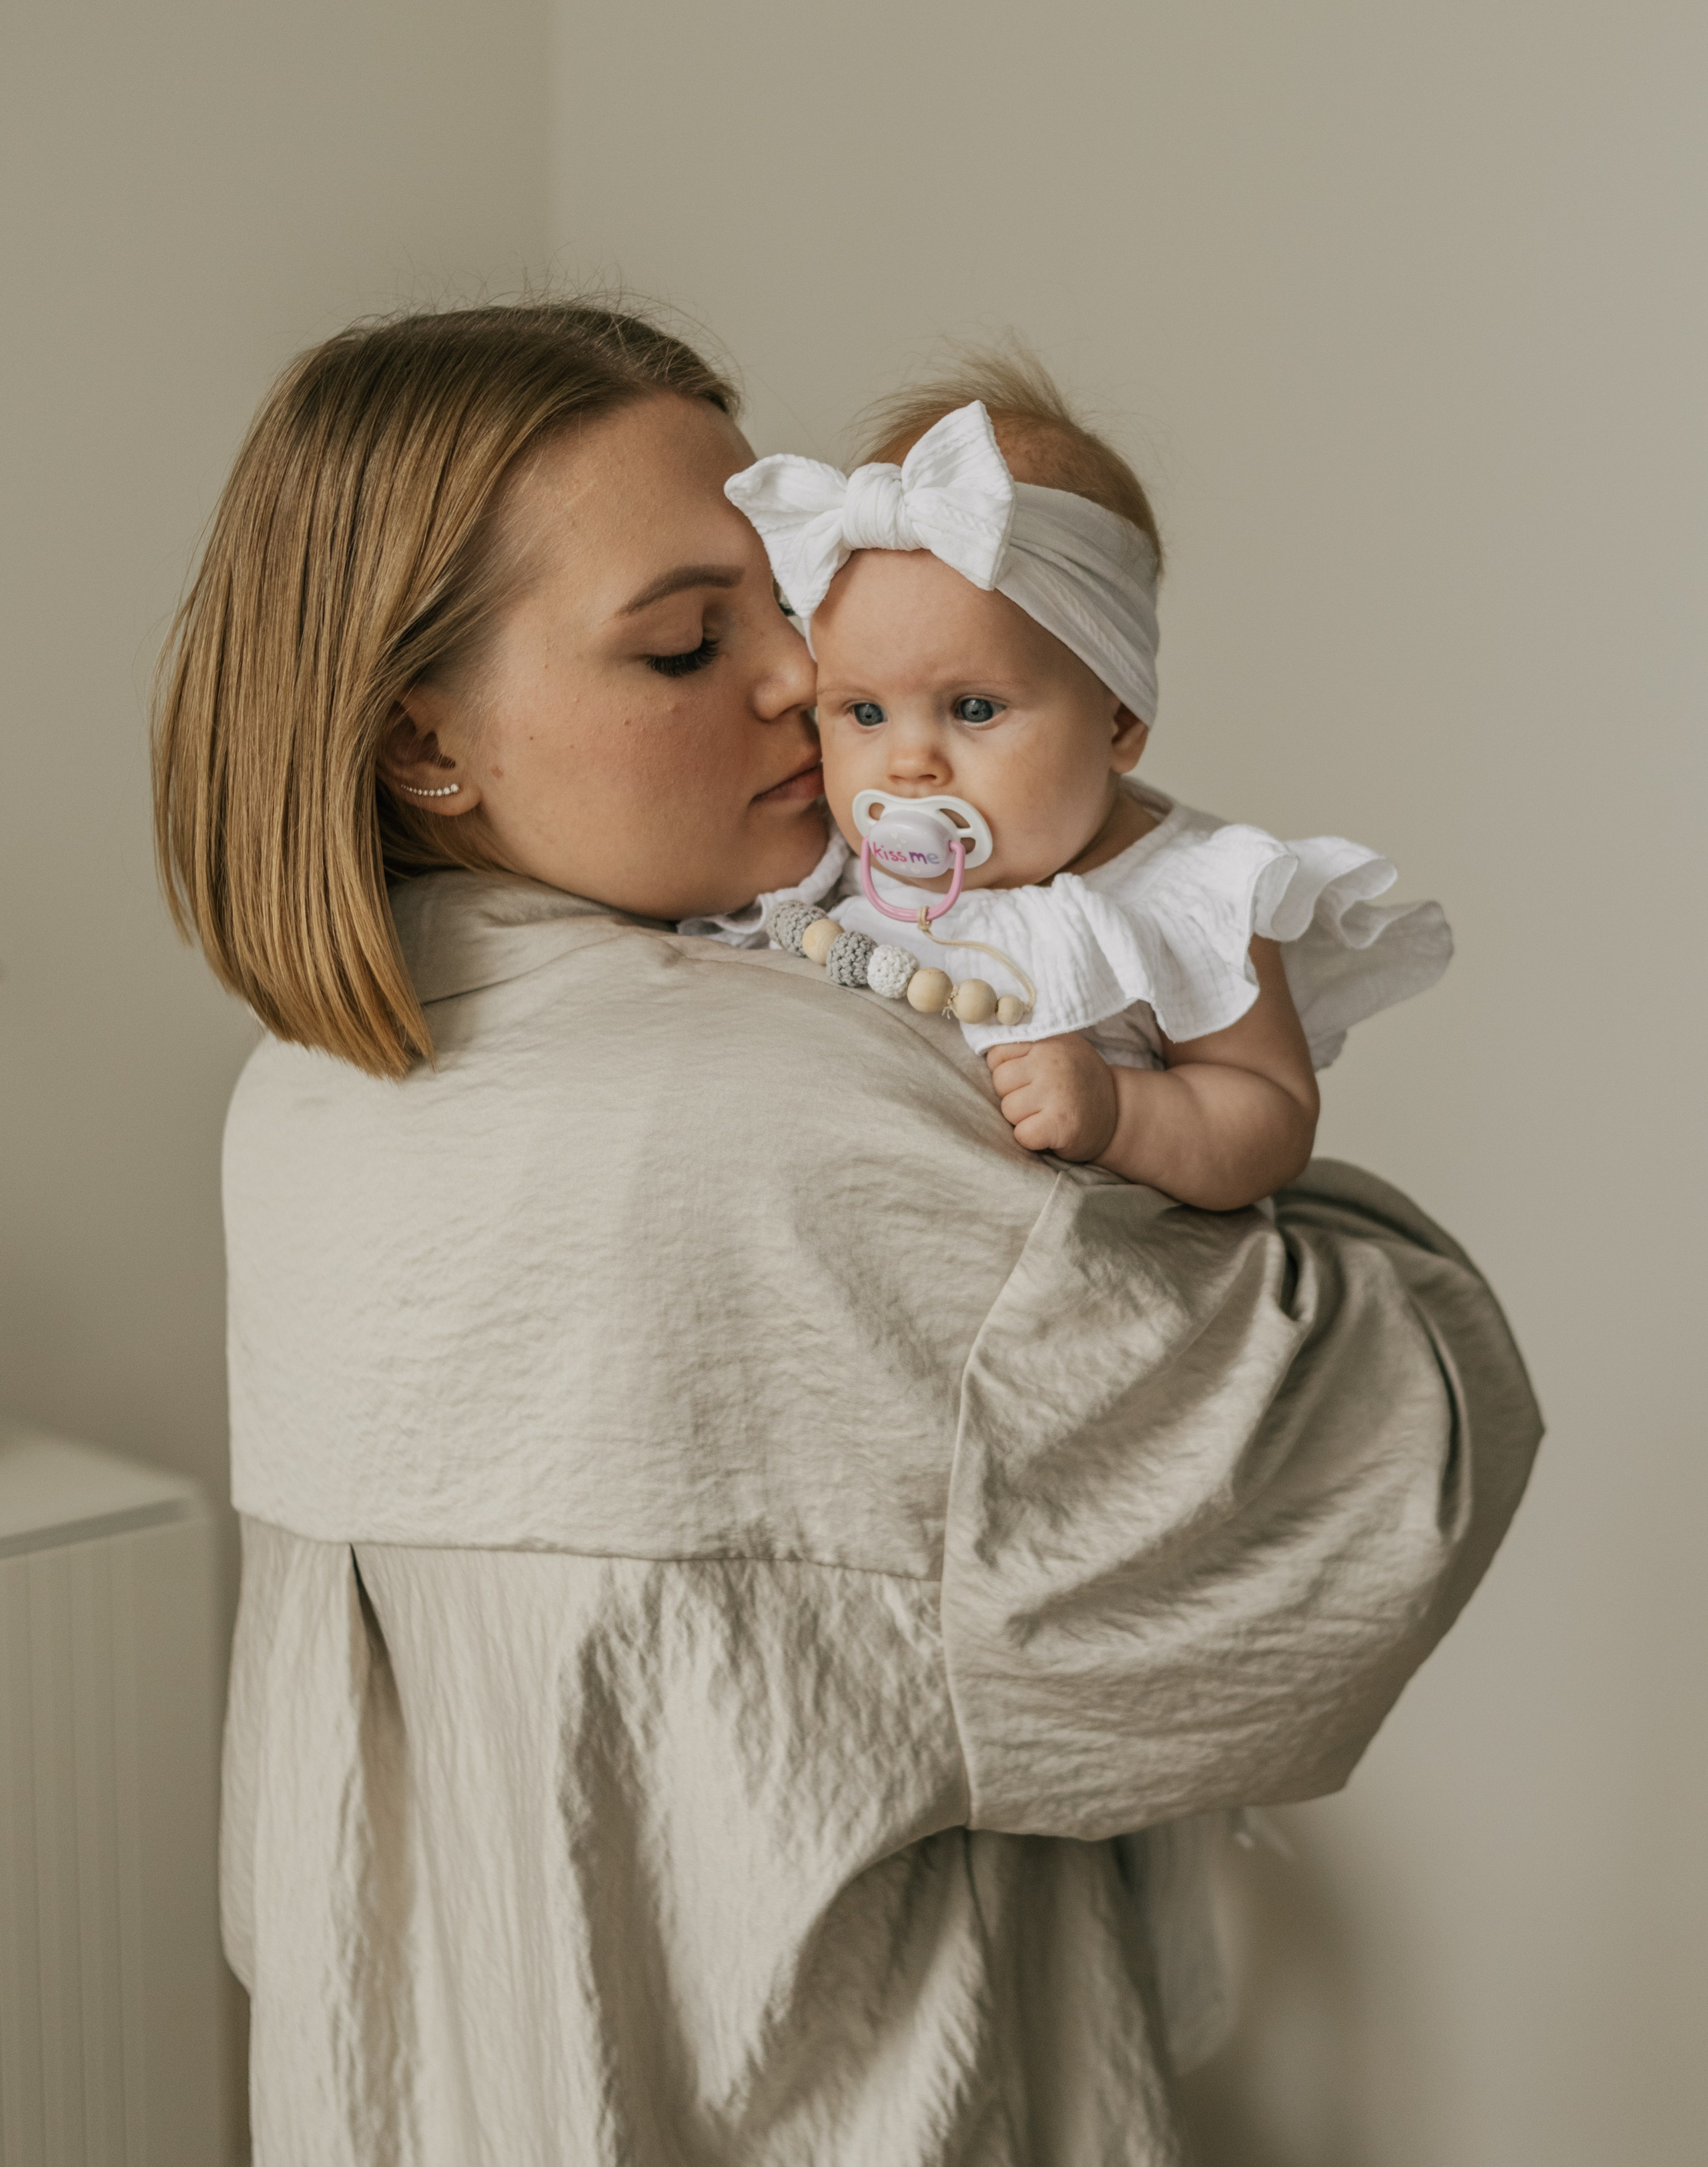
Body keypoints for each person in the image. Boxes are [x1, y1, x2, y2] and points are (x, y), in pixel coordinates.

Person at [153, 298, 1541, 2166]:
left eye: (785, 600)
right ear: (425, 746)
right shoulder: (793, 1118)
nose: (809, 685)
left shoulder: (304, 1090)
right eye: (680, 646)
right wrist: (1211, 1109)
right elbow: (1397, 1457)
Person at [721, 367, 1450, 1212]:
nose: (907, 763)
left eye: (974, 708)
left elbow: (1271, 1115)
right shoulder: (831, 860)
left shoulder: (1191, 900)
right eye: (863, 711)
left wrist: (1119, 1111)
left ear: (1118, 725)